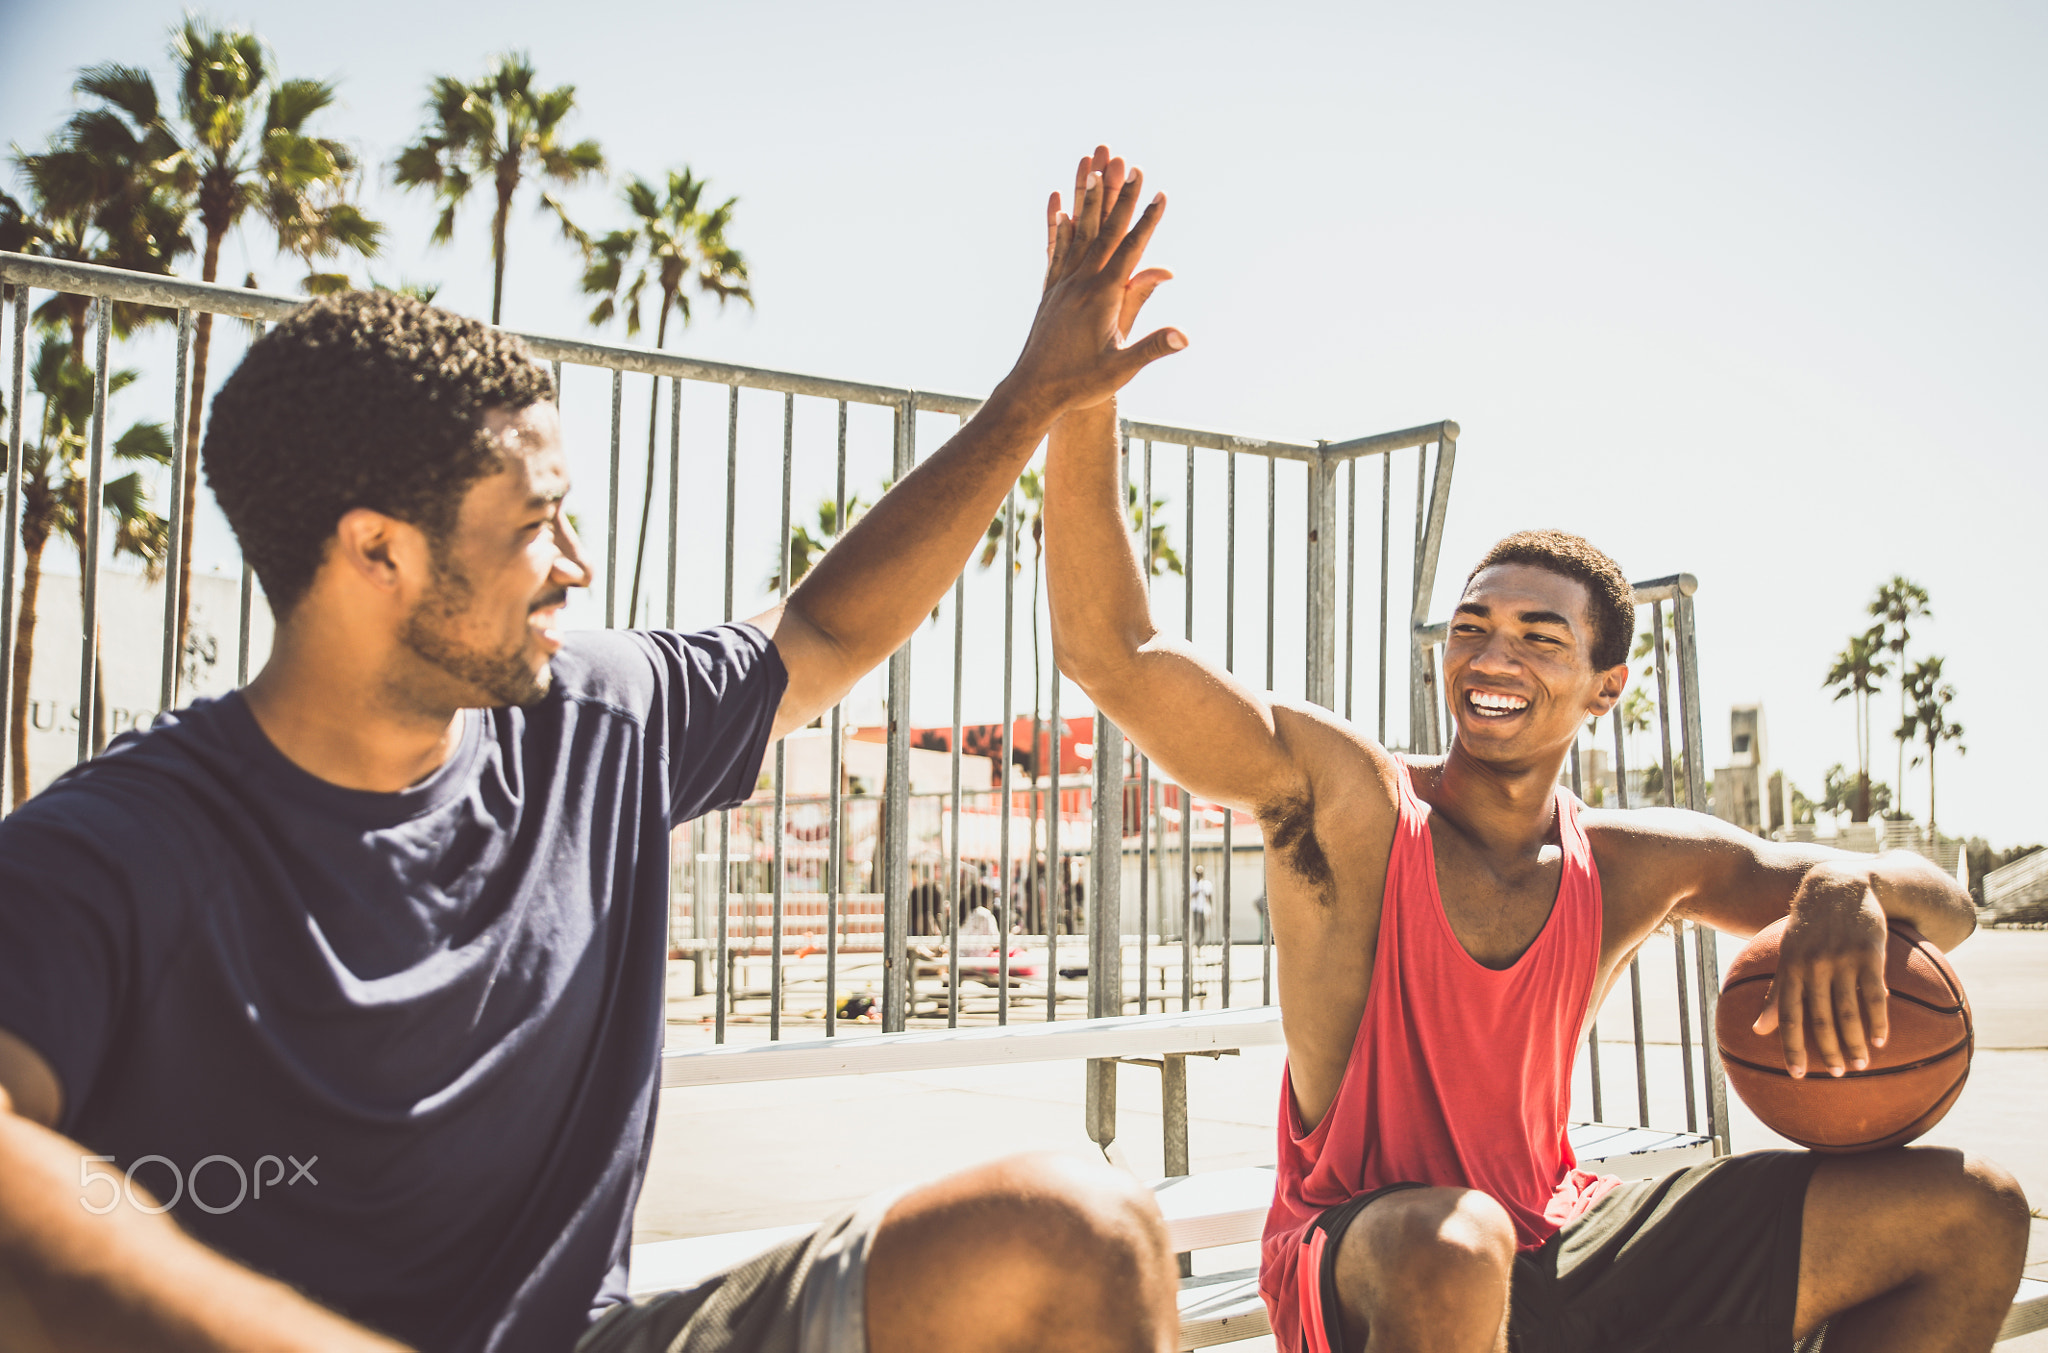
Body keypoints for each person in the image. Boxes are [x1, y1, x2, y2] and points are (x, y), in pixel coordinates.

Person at [0, 146, 1186, 1353]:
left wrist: (1029, 402)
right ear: (375, 554)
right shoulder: (111, 850)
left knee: (1078, 1227)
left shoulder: (593, 720)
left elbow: (823, 627)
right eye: (533, 526)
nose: (574, 563)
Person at [1042, 152, 2027, 1350]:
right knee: (1455, 1240)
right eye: (1470, 627)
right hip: (1367, 1253)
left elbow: (1948, 912)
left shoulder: (1630, 862)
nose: (1490, 655)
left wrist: (1835, 883)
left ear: (1606, 687)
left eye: (1535, 636)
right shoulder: (1349, 807)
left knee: (1970, 1213)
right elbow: (1113, 652)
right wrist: (1078, 390)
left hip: (1553, 1237)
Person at [1188, 865, 1213, 948]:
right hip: (1195, 908)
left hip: (1203, 909)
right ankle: (1196, 944)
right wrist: (1197, 891)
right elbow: (1190, 895)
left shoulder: (1206, 883)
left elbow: (1209, 897)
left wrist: (1210, 909)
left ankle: (1201, 944)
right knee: (1195, 928)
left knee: (1202, 928)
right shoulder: (1192, 883)